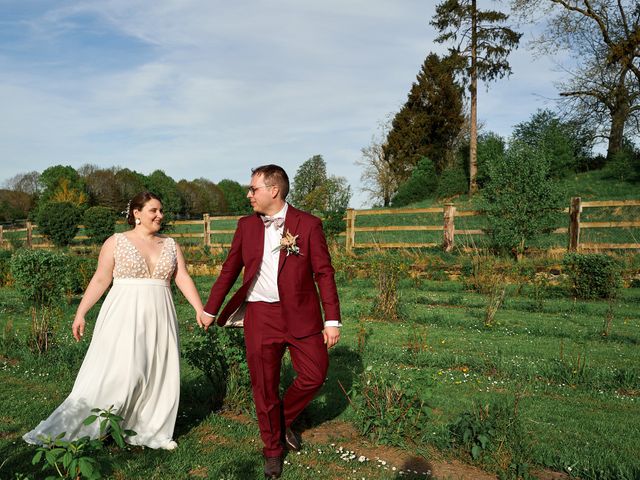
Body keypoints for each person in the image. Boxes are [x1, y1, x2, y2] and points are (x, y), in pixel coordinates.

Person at [23, 192, 204, 450]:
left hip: (161, 313)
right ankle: (94, 423)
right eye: (154, 210)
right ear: (136, 214)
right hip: (124, 315)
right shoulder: (116, 242)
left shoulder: (171, 244)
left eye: (161, 210)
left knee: (157, 370)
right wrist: (81, 312)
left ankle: (149, 429)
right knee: (122, 372)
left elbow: (182, 277)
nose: (160, 215)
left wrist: (199, 308)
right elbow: (100, 279)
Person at [199, 164, 341, 479]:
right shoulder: (246, 226)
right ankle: (272, 451)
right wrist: (211, 308)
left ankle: (280, 422)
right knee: (264, 387)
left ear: (273, 190)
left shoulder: (309, 224)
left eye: (254, 189)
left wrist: (332, 319)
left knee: (315, 375)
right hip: (260, 316)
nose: (249, 194)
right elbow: (229, 269)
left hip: (301, 314)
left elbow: (324, 273)